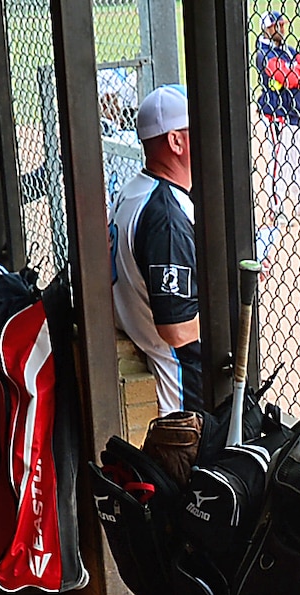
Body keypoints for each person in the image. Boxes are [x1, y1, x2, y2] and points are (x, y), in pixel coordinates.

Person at [110, 84, 202, 415]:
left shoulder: (134, 190)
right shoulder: (166, 217)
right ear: (176, 141)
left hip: (149, 352)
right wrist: (223, 308)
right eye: (198, 128)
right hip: (183, 395)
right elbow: (176, 331)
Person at [256, 11, 300, 223]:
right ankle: (277, 207)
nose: (282, 29)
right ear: (267, 28)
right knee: (278, 161)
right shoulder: (263, 54)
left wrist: (293, 74)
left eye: (283, 25)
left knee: (299, 158)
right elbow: (282, 76)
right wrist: (293, 73)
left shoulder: (289, 51)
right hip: (276, 114)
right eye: (277, 26)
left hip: (294, 112)